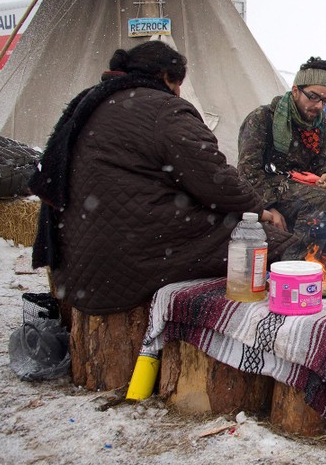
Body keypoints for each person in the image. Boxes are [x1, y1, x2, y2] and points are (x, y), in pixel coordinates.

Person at [29, 41, 297, 315]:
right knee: (269, 243)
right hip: (128, 253)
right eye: (178, 83)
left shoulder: (92, 101)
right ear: (166, 77)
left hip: (81, 259)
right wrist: (259, 211)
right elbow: (215, 179)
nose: (180, 91)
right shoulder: (164, 110)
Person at [238, 56, 326, 259]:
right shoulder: (263, 119)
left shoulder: (321, 125)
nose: (318, 106)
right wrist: (266, 207)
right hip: (270, 185)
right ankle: (294, 264)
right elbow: (248, 171)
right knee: (322, 200)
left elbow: (324, 161)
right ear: (296, 90)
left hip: (303, 184)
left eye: (324, 100)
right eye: (313, 97)